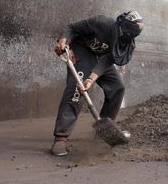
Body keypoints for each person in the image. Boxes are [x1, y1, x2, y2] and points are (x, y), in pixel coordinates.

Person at [50, 11, 144, 156]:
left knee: (117, 87)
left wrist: (91, 78)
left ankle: (105, 131)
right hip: (82, 51)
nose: (124, 36)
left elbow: (108, 60)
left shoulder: (126, 44)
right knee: (77, 88)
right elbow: (71, 27)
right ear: (121, 25)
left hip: (101, 59)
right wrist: (63, 41)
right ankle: (61, 138)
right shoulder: (101, 22)